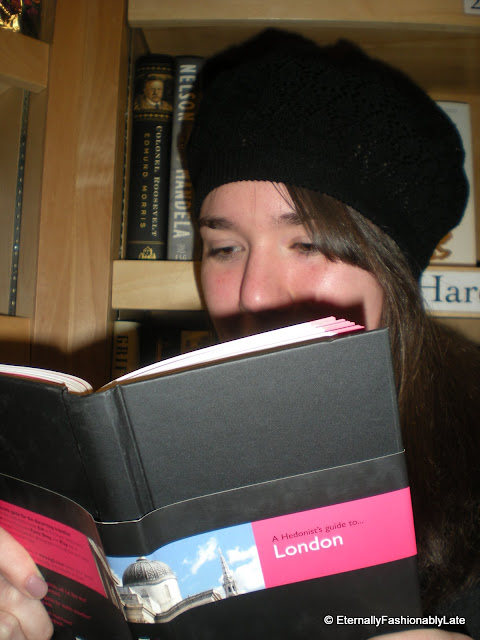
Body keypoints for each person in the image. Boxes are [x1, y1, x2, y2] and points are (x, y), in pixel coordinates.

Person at [0, 28, 478, 640]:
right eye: (224, 247)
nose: (252, 293)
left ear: (394, 270)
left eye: (307, 243)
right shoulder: (143, 458)